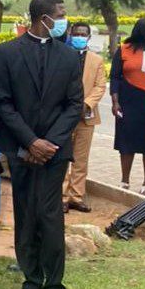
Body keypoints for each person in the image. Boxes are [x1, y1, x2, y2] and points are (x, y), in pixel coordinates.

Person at [0, 0, 83, 289]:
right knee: (25, 216)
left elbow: (74, 105)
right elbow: (2, 103)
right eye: (60, 13)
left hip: (54, 153)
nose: (64, 19)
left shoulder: (71, 57)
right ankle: (31, 282)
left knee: (49, 216)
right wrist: (30, 142)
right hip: (21, 150)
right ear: (43, 17)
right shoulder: (6, 53)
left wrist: (49, 144)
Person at [110, 18, 145, 194]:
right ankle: (124, 180)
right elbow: (115, 77)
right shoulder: (124, 50)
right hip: (127, 103)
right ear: (144, 33)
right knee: (126, 143)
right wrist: (115, 101)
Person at [62, 23, 106, 213]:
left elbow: (100, 86)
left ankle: (76, 196)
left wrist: (85, 104)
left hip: (85, 117)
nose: (80, 37)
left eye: (83, 34)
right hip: (63, 115)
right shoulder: (61, 56)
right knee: (62, 158)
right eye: (76, 34)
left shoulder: (97, 60)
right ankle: (61, 197)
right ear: (71, 35)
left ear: (89, 37)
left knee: (81, 159)